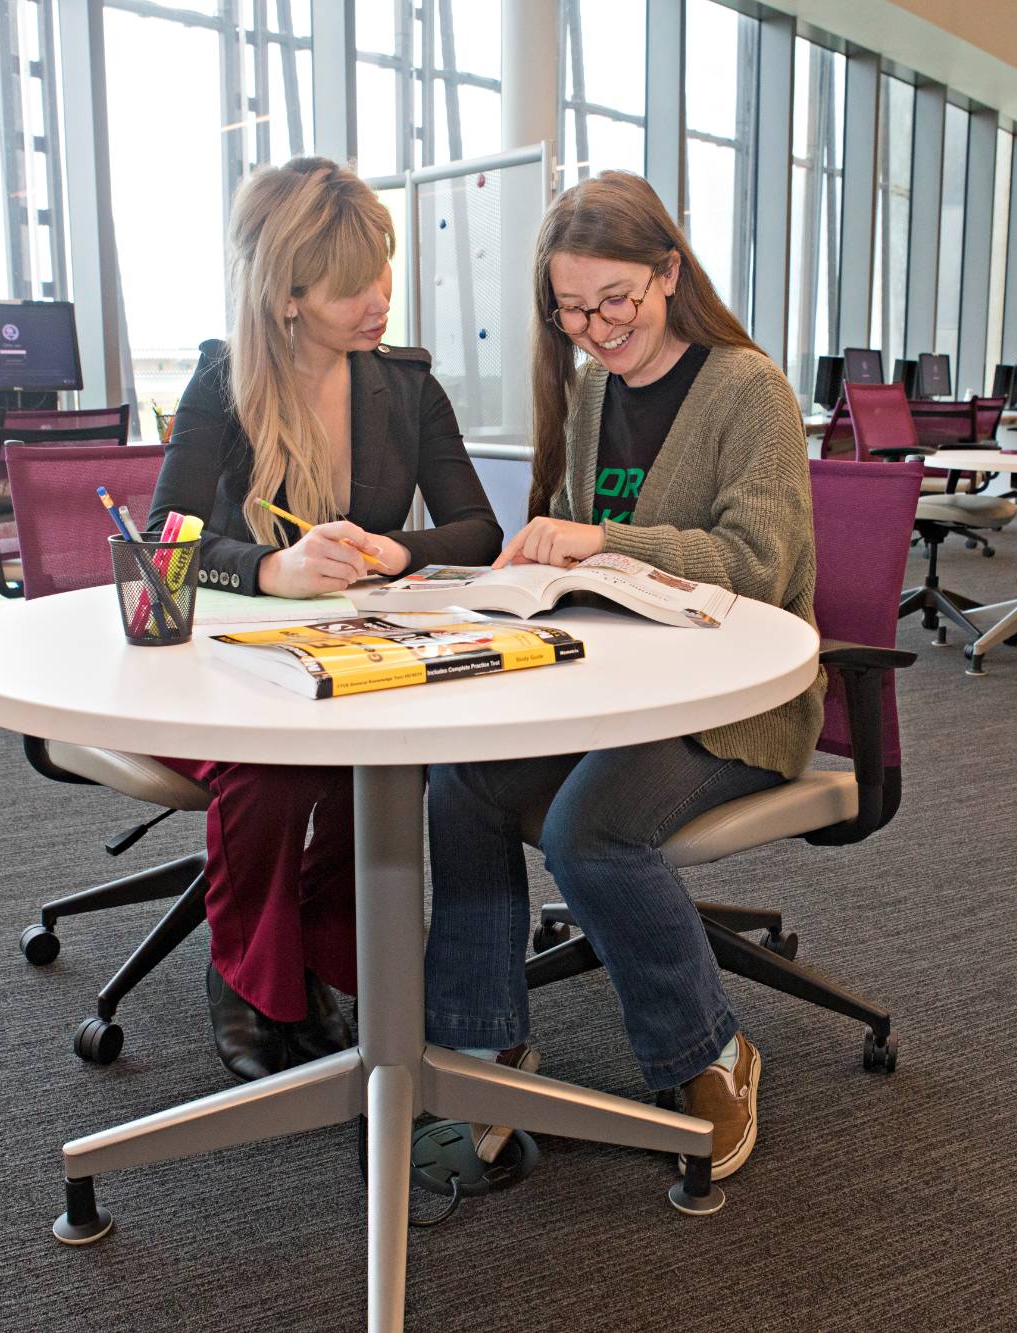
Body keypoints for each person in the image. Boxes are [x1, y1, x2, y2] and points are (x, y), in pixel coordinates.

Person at [420, 171, 824, 1186]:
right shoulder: (593, 388)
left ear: (668, 274)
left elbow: (759, 563)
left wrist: (603, 538)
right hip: (612, 686)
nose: (595, 328)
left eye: (615, 300)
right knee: (460, 781)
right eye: (569, 309)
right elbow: (581, 559)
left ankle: (709, 1051)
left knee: (585, 829)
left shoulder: (746, 388)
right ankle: (482, 1048)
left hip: (737, 703)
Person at [148, 158, 501, 1083]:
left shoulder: (408, 388)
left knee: (376, 768)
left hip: (352, 663)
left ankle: (328, 964)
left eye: (384, 271)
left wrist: (399, 552)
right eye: (352, 286)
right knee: (267, 773)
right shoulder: (223, 386)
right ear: (290, 294)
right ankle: (251, 980)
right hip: (227, 672)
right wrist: (271, 567)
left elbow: (478, 527)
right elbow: (164, 542)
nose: (381, 298)